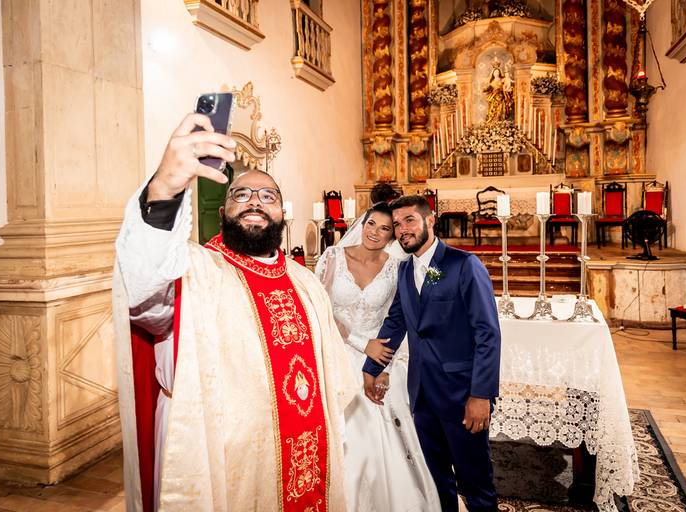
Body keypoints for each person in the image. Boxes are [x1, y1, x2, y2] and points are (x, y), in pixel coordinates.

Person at [113, 113, 357, 511]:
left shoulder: (306, 283)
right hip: (217, 459)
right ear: (223, 213)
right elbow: (146, 296)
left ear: (282, 215)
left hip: (305, 454)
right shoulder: (195, 270)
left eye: (268, 196)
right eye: (240, 195)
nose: (255, 202)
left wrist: (336, 441)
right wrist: (163, 189)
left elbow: (331, 382)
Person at [361, 195, 501, 512]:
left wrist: (481, 394)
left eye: (409, 220)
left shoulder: (464, 264)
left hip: (461, 395)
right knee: (437, 483)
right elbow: (397, 321)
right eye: (397, 224)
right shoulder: (406, 271)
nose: (402, 229)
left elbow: (487, 334)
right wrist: (371, 367)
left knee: (476, 483)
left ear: (430, 220)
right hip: (422, 394)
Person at [315, 202, 440, 512]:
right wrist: (362, 343)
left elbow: (398, 318)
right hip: (337, 352)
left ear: (392, 236)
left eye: (385, 229)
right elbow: (320, 309)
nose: (375, 232)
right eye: (371, 224)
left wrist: (384, 364)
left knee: (385, 430)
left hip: (380, 358)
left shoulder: (397, 268)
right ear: (362, 223)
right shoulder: (332, 257)